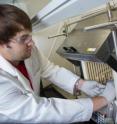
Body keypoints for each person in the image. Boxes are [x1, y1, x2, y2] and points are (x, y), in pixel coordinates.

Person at [0, 4, 115, 123]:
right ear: (2, 43)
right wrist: (102, 100)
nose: (32, 43)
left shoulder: (29, 52)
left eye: (30, 36)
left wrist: (80, 84)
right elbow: (42, 111)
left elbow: (50, 70)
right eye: (23, 39)